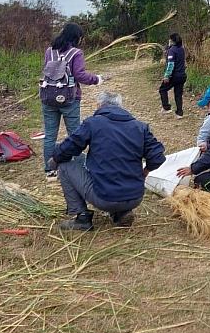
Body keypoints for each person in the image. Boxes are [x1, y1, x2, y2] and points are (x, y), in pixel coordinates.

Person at [48, 91, 166, 231]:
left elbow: (68, 148)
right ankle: (122, 212)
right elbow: (158, 156)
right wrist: (145, 171)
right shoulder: (140, 127)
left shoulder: (93, 123)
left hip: (105, 198)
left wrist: (55, 159)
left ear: (100, 105)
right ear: (121, 107)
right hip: (135, 197)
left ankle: (82, 217)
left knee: (65, 166)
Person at [41, 23, 106, 181]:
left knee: (50, 135)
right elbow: (80, 75)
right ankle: (78, 167)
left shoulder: (50, 51)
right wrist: (97, 79)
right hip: (69, 99)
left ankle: (50, 171)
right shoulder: (76, 53)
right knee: (75, 134)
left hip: (48, 97)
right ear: (77, 37)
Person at [159, 32, 187, 119]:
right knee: (178, 94)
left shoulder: (172, 50)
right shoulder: (181, 49)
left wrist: (167, 76)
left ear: (172, 40)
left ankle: (166, 108)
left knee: (162, 89)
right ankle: (179, 113)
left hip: (174, 76)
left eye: (170, 40)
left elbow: (171, 64)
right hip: (182, 75)